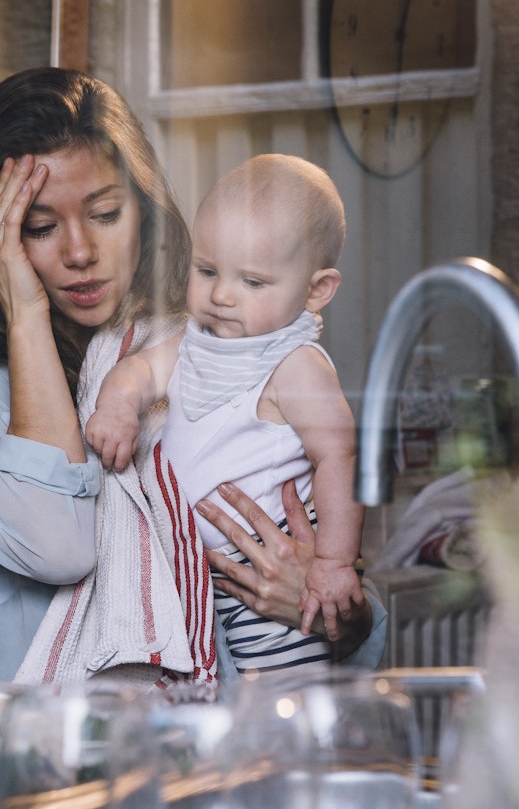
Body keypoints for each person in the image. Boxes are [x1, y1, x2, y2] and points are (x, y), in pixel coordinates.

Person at [0, 68, 383, 687]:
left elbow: (352, 610)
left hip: (231, 734)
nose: (81, 251)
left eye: (106, 213)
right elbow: (57, 544)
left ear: (143, 214)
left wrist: (332, 610)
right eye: (38, 228)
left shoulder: (207, 345)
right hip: (61, 752)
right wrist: (26, 312)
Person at [85, 154, 365, 673]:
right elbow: (141, 372)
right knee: (222, 703)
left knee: (284, 699)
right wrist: (118, 405)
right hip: (201, 575)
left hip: (267, 566)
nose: (220, 295)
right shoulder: (197, 342)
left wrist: (332, 563)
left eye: (253, 282)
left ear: (316, 290)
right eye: (207, 270)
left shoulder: (294, 364)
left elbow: (341, 457)